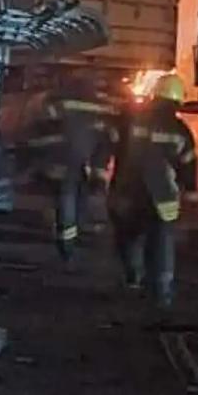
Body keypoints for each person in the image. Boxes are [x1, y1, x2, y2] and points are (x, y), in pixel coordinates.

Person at [108, 73, 198, 309]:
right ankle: (163, 293)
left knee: (128, 237)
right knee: (162, 244)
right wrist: (190, 192)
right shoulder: (180, 130)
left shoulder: (131, 119)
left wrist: (100, 176)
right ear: (176, 101)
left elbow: (111, 144)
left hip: (128, 192)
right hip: (163, 198)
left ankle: (134, 276)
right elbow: (188, 164)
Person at [26, 74, 118, 261]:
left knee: (66, 197)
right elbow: (104, 143)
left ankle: (67, 244)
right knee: (76, 194)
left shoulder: (56, 101)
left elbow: (40, 129)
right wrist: (99, 175)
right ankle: (70, 242)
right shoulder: (103, 108)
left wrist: (42, 160)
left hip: (60, 158)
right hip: (79, 160)